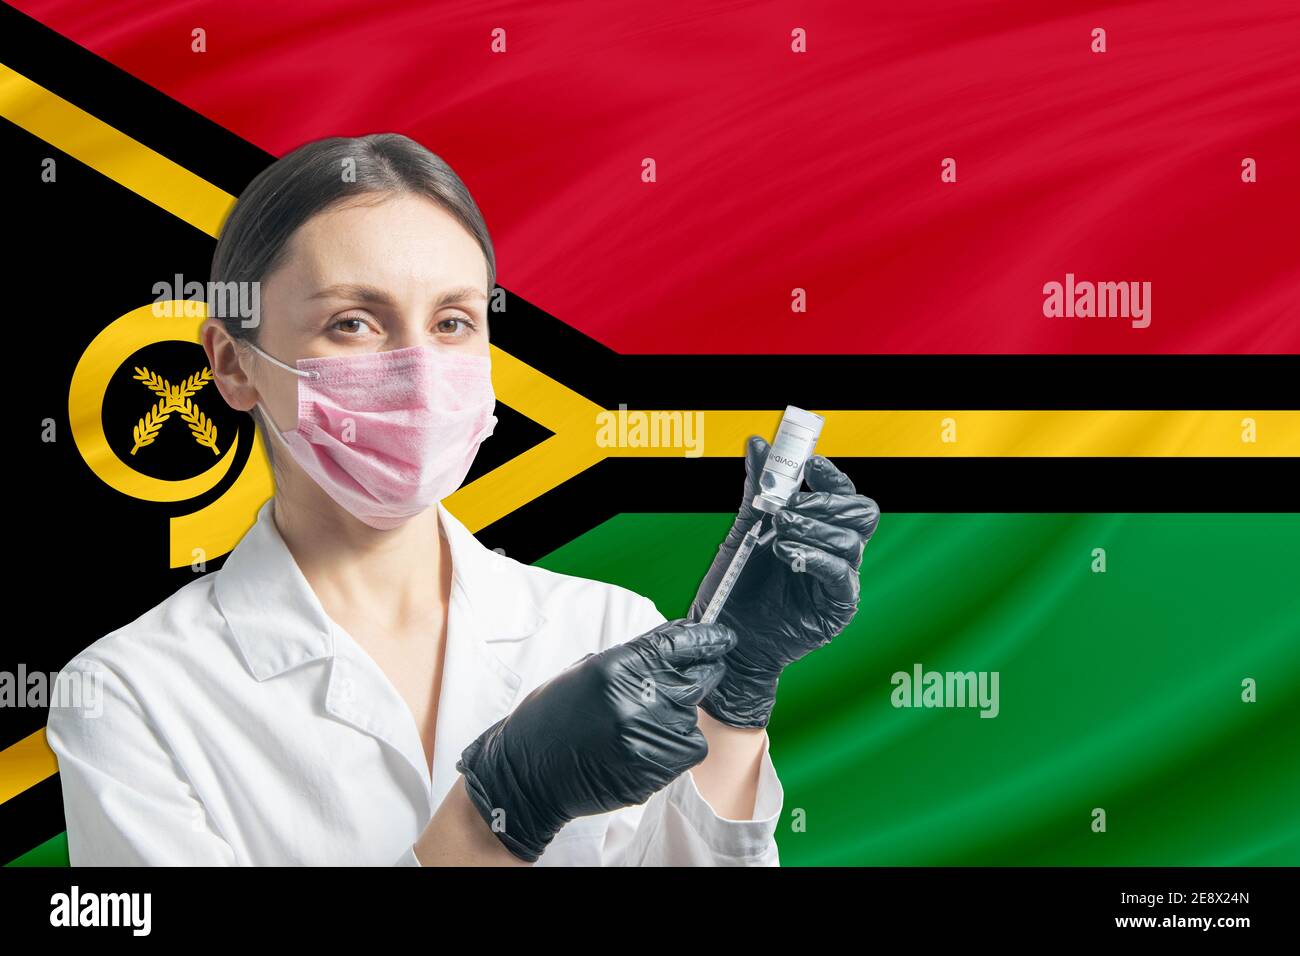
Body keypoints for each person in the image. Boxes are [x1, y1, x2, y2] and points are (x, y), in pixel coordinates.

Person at [45, 133, 879, 865]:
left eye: (451, 322)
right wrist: (500, 812)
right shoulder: (132, 696)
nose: (417, 369)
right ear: (233, 364)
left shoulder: (605, 632)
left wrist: (733, 703)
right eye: (353, 323)